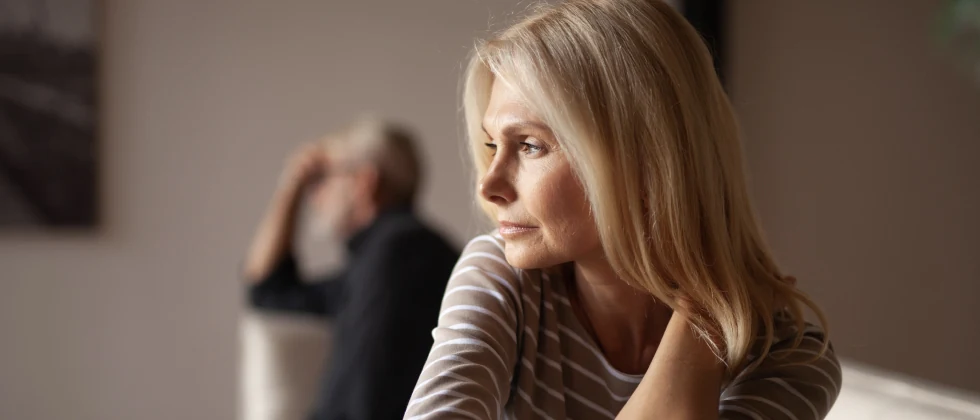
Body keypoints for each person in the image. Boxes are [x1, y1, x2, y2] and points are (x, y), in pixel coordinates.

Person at [405, 1, 841, 419]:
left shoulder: (789, 358)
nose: (490, 185)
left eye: (530, 146)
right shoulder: (504, 280)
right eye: (492, 144)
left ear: (648, 165)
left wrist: (702, 328)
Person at [242, 118, 458, 420]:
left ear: (364, 182)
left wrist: (293, 184)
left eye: (321, 178)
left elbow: (365, 399)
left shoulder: (399, 254)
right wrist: (292, 184)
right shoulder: (385, 257)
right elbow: (267, 288)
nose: (314, 195)